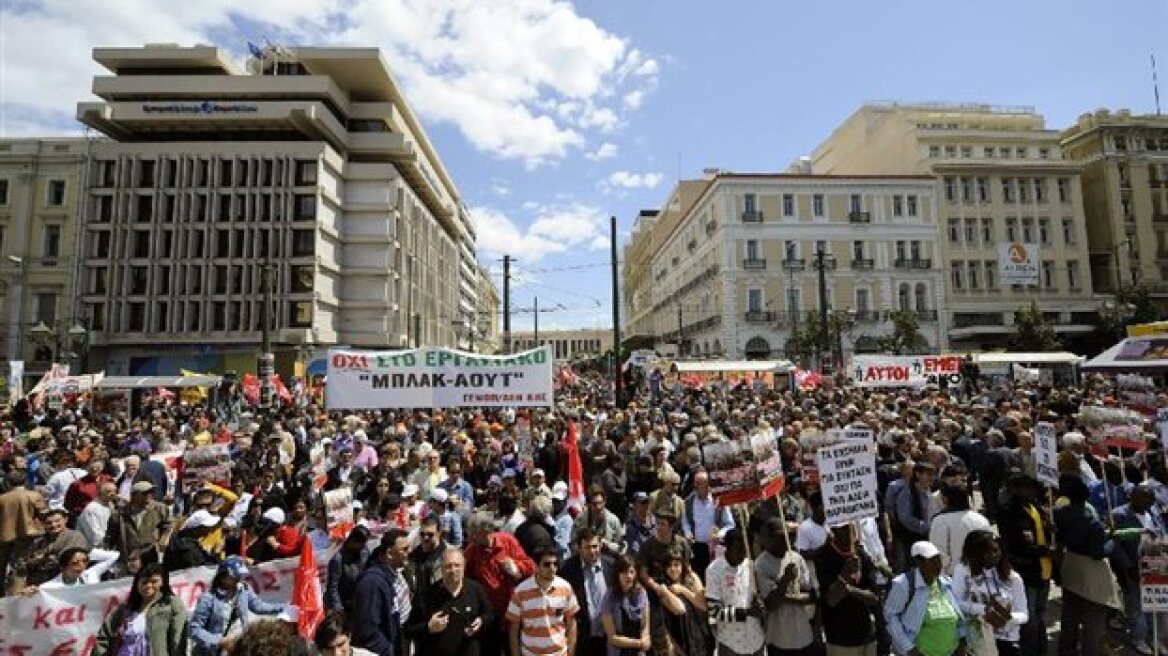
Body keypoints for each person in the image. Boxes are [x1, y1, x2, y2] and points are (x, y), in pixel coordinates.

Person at [1054, 474, 1120, 656]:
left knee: (1070, 615)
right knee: (1093, 619)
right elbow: (1099, 553)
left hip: (1070, 566)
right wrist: (1113, 540)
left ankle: (1066, 650)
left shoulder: (1059, 513)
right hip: (1091, 571)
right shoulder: (1093, 523)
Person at [995, 473, 1053, 655]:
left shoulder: (1034, 506)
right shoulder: (1009, 512)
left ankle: (1041, 649)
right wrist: (1046, 551)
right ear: (1015, 489)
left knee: (1041, 613)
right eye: (1027, 488)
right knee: (1029, 618)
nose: (1032, 491)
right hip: (1026, 571)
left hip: (1044, 569)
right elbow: (1019, 545)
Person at [464, 511, 536, 656]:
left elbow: (531, 566)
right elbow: (466, 579)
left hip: (512, 611)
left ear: (486, 532)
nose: (470, 537)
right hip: (489, 615)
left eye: (473, 533)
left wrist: (516, 568)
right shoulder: (472, 550)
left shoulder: (507, 542)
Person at [882, 541, 968, 656]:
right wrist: (910, 648)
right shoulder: (903, 584)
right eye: (932, 561)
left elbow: (958, 616)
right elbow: (891, 617)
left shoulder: (946, 582)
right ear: (919, 562)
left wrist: (962, 643)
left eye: (938, 560)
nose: (938, 565)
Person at [950, 531, 1027, 656]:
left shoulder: (1013, 577)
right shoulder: (963, 570)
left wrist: (1008, 617)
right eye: (986, 552)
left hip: (1007, 641)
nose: (994, 555)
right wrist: (983, 610)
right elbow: (955, 603)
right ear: (975, 554)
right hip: (977, 640)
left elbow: (1024, 614)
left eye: (996, 550)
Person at [404, 548, 493, 656]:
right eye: (448, 566)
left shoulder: (476, 589)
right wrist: (429, 628)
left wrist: (481, 621)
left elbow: (489, 614)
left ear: (464, 567)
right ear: (441, 568)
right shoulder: (427, 595)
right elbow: (409, 629)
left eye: (457, 565)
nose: (453, 570)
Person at [190, 556, 285, 656]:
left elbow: (258, 606)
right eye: (235, 577)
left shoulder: (244, 589)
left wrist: (283, 607)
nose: (239, 580)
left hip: (239, 648)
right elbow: (195, 630)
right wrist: (220, 641)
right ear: (223, 578)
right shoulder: (208, 599)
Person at [1111, 482, 1165, 655]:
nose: (1148, 500)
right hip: (1133, 567)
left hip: (1156, 565)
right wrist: (1128, 567)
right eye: (1143, 496)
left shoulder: (1154, 512)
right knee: (1136, 606)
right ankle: (1138, 638)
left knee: (1157, 604)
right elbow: (1115, 545)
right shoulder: (1119, 514)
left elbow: (1162, 533)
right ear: (1132, 496)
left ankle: (1156, 638)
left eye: (1150, 497)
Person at [92, 562, 190, 656]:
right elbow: (103, 638)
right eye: (144, 582)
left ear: (163, 582)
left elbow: (177, 640)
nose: (148, 586)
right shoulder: (123, 609)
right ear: (137, 584)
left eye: (154, 581)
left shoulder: (171, 604)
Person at [817, 523, 881, 656]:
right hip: (840, 641)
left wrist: (849, 589)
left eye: (850, 526)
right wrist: (845, 574)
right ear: (833, 529)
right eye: (843, 528)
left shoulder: (862, 554)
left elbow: (874, 598)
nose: (848, 531)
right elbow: (831, 600)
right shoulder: (824, 556)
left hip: (866, 636)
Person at [755, 517, 816, 656]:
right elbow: (770, 603)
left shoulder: (796, 558)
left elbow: (811, 596)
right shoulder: (760, 565)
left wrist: (785, 596)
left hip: (803, 634)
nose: (785, 541)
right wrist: (785, 579)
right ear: (769, 539)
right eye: (780, 537)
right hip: (779, 638)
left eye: (787, 536)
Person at [506, 547, 580, 656]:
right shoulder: (521, 591)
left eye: (555, 564)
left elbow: (572, 622)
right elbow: (514, 628)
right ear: (536, 566)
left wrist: (571, 651)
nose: (552, 568)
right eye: (547, 564)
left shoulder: (565, 587)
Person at [705, 528, 766, 656]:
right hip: (731, 644)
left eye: (745, 549)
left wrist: (759, 603)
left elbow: (757, 595)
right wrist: (746, 612)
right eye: (739, 549)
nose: (743, 553)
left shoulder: (750, 565)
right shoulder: (714, 571)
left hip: (756, 640)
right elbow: (714, 611)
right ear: (727, 547)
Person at [353, 528, 413, 656]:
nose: (410, 552)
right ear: (390, 553)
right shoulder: (372, 583)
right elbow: (368, 631)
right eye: (405, 549)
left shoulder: (395, 574)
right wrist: (389, 651)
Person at [562, 528, 617, 656]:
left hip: (608, 636)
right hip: (583, 638)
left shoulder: (611, 565)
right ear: (579, 548)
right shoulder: (568, 569)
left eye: (595, 546)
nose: (592, 551)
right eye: (587, 547)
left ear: (601, 545)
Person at [105, 480, 169, 573]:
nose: (149, 495)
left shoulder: (159, 508)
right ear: (134, 495)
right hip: (128, 558)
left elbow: (167, 526)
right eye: (145, 493)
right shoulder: (120, 513)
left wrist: (162, 541)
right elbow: (111, 536)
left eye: (151, 492)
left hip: (150, 555)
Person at [654, 547, 709, 655]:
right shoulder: (664, 586)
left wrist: (683, 590)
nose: (673, 569)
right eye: (669, 566)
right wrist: (666, 592)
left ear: (682, 565)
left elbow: (703, 606)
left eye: (676, 565)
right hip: (679, 636)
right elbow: (680, 609)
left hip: (699, 633)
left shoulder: (692, 578)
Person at [928, 485, 991, 576]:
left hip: (954, 577)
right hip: (982, 574)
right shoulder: (981, 519)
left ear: (945, 499)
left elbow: (939, 554)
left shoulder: (940, 521)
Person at [0, 468, 45, 594]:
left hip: (4, 537)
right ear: (25, 481)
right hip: (27, 536)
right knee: (19, 568)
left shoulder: (2, 498)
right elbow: (44, 515)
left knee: (3, 567)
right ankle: (16, 594)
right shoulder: (34, 495)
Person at [682, 471, 734, 578]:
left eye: (699, 483)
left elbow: (730, 524)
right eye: (695, 483)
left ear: (708, 485)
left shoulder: (719, 501)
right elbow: (685, 521)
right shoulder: (688, 502)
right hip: (697, 548)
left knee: (717, 577)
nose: (696, 486)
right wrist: (687, 532)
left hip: (716, 548)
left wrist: (720, 534)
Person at [600, 553, 652, 656]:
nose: (629, 576)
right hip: (619, 651)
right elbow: (612, 638)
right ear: (617, 574)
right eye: (624, 572)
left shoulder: (641, 592)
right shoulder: (609, 597)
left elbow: (645, 626)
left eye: (632, 572)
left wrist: (643, 648)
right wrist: (639, 644)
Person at [22, 508, 88, 586]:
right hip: (38, 583)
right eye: (49, 523)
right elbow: (25, 563)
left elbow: (68, 560)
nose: (53, 525)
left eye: (57, 521)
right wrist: (33, 561)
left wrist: (43, 558)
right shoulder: (38, 541)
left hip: (62, 582)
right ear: (43, 524)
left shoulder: (75, 536)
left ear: (65, 519)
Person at [573, 487, 625, 555]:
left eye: (600, 503)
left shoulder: (613, 520)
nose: (598, 507)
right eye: (594, 504)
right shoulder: (580, 520)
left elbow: (621, 548)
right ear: (588, 504)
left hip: (608, 560)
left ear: (605, 502)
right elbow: (573, 544)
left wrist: (607, 544)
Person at [409, 516, 450, 603]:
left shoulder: (449, 555)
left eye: (430, 534)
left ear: (439, 533)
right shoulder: (414, 554)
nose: (425, 538)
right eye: (422, 534)